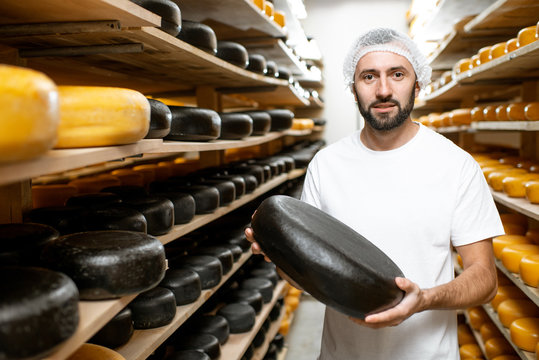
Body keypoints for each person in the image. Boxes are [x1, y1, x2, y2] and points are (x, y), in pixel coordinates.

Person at [245, 28, 504, 359]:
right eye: (369, 77)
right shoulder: (326, 164)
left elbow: (485, 280)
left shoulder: (457, 166)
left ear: (418, 84)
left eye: (397, 74)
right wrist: (281, 255)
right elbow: (306, 276)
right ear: (354, 90)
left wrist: (424, 299)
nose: (383, 90)